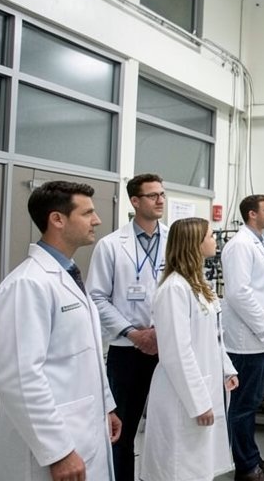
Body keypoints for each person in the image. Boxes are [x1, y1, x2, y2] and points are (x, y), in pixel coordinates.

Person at [0, 181, 122, 481]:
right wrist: (58, 451)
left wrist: (107, 405)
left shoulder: (69, 275)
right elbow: (19, 377)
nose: (97, 220)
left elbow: (86, 353)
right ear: (57, 219)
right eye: (88, 213)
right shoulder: (28, 285)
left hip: (84, 424)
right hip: (51, 444)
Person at [141, 217, 239, 481]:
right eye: (210, 236)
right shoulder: (174, 289)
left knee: (198, 466)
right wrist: (198, 403)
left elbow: (214, 338)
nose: (215, 240)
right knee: (179, 468)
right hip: (181, 396)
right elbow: (176, 354)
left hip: (203, 384)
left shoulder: (199, 285)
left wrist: (226, 369)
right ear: (194, 244)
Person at [87, 173, 168, 481]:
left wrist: (162, 332)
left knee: (168, 423)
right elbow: (96, 297)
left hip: (166, 344)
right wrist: (133, 333)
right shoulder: (111, 245)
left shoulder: (174, 239)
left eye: (162, 194)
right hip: (127, 348)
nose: (160, 200)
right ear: (135, 201)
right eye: (152, 195)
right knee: (122, 427)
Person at [222, 194, 264, 481]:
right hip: (247, 339)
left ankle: (251, 459)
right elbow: (240, 293)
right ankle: (247, 469)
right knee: (242, 406)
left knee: (251, 403)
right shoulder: (239, 245)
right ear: (252, 214)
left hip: (258, 337)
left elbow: (260, 289)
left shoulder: (257, 242)